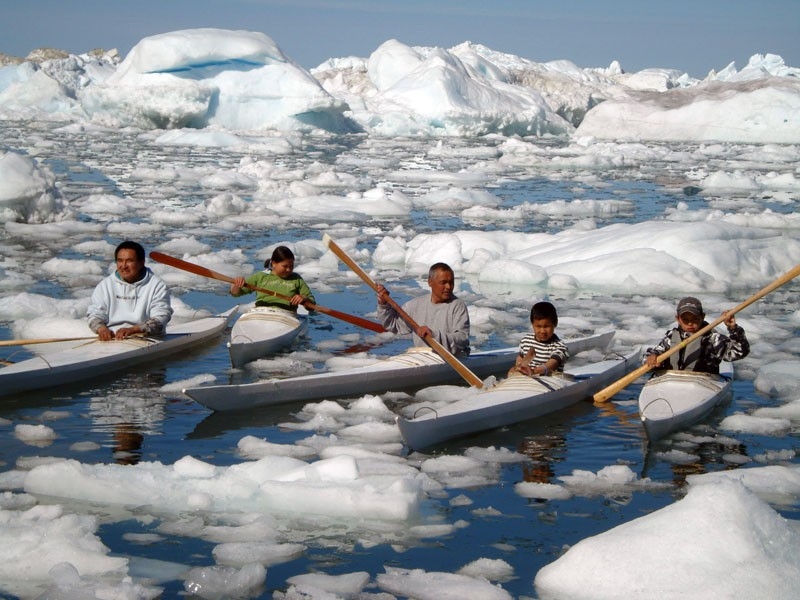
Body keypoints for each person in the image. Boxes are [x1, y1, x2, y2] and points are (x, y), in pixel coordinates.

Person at [375, 262, 470, 356]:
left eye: (451, 282)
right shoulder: (415, 305)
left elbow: (462, 338)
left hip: (452, 359)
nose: (448, 287)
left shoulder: (458, 306)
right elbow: (394, 325)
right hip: (422, 358)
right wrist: (384, 304)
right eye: (443, 282)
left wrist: (434, 336)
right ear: (430, 282)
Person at [87, 241, 173, 341]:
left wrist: (134, 329)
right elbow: (94, 314)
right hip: (113, 339)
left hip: (148, 339)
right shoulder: (105, 285)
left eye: (129, 261)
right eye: (120, 261)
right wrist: (101, 329)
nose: (123, 266)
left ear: (141, 262)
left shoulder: (157, 285)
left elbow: (161, 318)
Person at [643, 296, 749, 374]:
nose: (690, 323)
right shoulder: (671, 338)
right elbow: (655, 353)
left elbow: (740, 352)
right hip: (672, 382)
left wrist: (733, 328)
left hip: (702, 384)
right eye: (685, 320)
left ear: (702, 317)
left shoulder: (713, 339)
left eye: (695, 319)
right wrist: (652, 358)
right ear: (678, 319)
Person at [229, 245, 315, 312]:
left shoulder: (296, 279)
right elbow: (236, 293)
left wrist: (304, 299)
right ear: (274, 263)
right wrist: (236, 284)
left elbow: (312, 305)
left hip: (286, 317)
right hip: (261, 314)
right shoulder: (261, 276)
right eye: (285, 266)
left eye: (291, 266)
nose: (289, 269)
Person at [508, 301, 569, 377]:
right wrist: (519, 367)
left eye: (546, 326)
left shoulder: (559, 346)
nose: (542, 331)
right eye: (538, 326)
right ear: (532, 324)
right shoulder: (526, 341)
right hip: (528, 380)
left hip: (550, 381)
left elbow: (552, 363)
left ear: (555, 323)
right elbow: (521, 357)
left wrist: (534, 371)